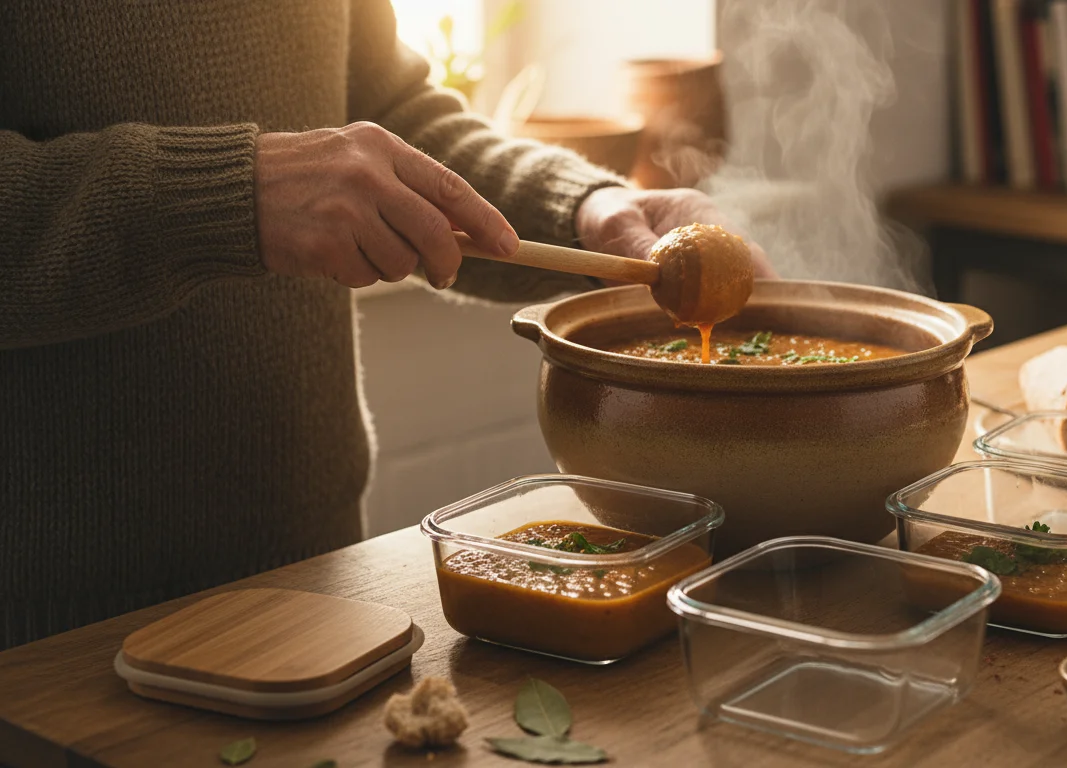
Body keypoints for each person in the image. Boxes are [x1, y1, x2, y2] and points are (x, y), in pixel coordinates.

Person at [0, 0, 775, 649]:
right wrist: (227, 195)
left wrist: (587, 211)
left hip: (311, 572)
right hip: (47, 624)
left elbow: (388, 113)